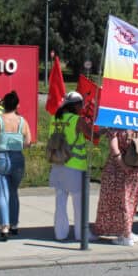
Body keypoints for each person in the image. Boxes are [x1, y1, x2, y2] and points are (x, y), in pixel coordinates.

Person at [0, 91, 31, 241]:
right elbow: (28, 141)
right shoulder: (23, 121)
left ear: (3, 104)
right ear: (17, 105)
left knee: (2, 193)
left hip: (0, 157)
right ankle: (14, 225)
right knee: (13, 191)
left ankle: (4, 227)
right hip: (17, 158)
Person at [48, 91, 92, 242]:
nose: (82, 108)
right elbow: (92, 135)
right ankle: (82, 235)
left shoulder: (54, 118)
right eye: (81, 105)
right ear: (76, 105)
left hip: (58, 164)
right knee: (79, 203)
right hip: (75, 166)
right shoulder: (77, 120)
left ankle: (60, 233)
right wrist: (104, 130)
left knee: (60, 201)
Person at [92, 129, 138, 246]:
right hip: (136, 168)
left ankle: (125, 235)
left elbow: (114, 146)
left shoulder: (116, 124)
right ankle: (127, 231)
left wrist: (122, 164)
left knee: (116, 201)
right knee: (131, 201)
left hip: (117, 169)